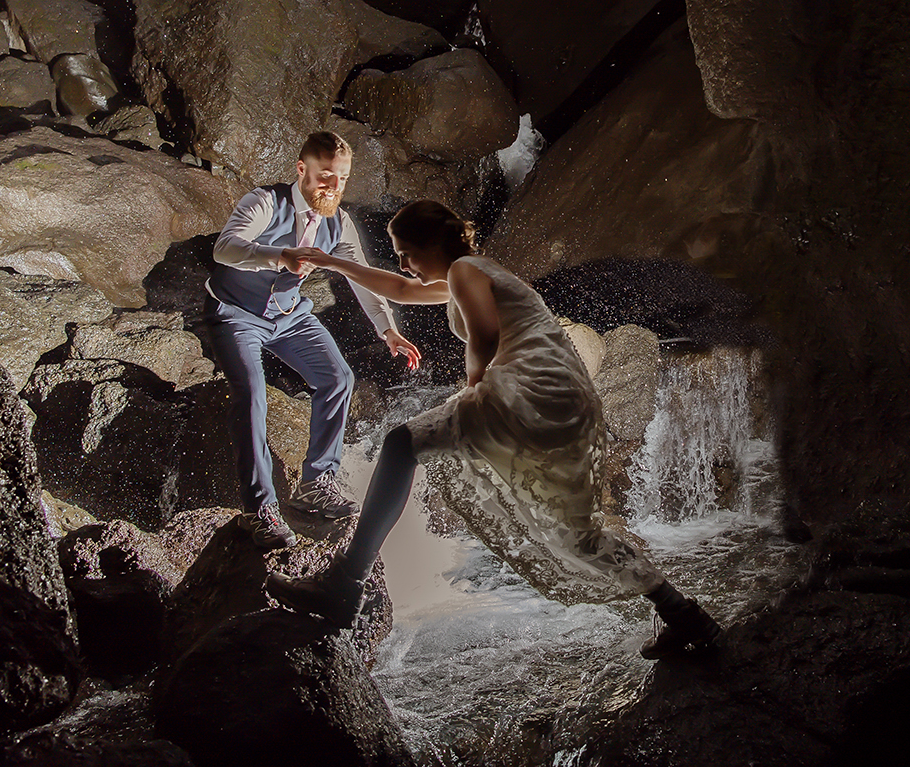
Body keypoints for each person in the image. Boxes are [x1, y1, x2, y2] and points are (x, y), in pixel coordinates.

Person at [265, 200, 722, 659]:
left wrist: (473, 392)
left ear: (433, 244)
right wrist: (334, 263)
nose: (402, 263)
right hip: (561, 402)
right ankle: (684, 614)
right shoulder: (472, 272)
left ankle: (343, 588)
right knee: (579, 534)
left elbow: (483, 336)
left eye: (407, 253)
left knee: (402, 444)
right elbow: (401, 289)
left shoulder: (467, 271)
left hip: (531, 394)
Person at [207, 131, 424, 549]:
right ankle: (259, 509)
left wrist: (388, 330)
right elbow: (224, 249)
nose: (334, 186)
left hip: (290, 317)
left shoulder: (338, 223)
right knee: (252, 395)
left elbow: (362, 278)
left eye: (342, 178)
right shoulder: (264, 202)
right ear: (301, 169)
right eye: (326, 176)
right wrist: (278, 256)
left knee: (338, 378)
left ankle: (316, 485)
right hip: (236, 314)